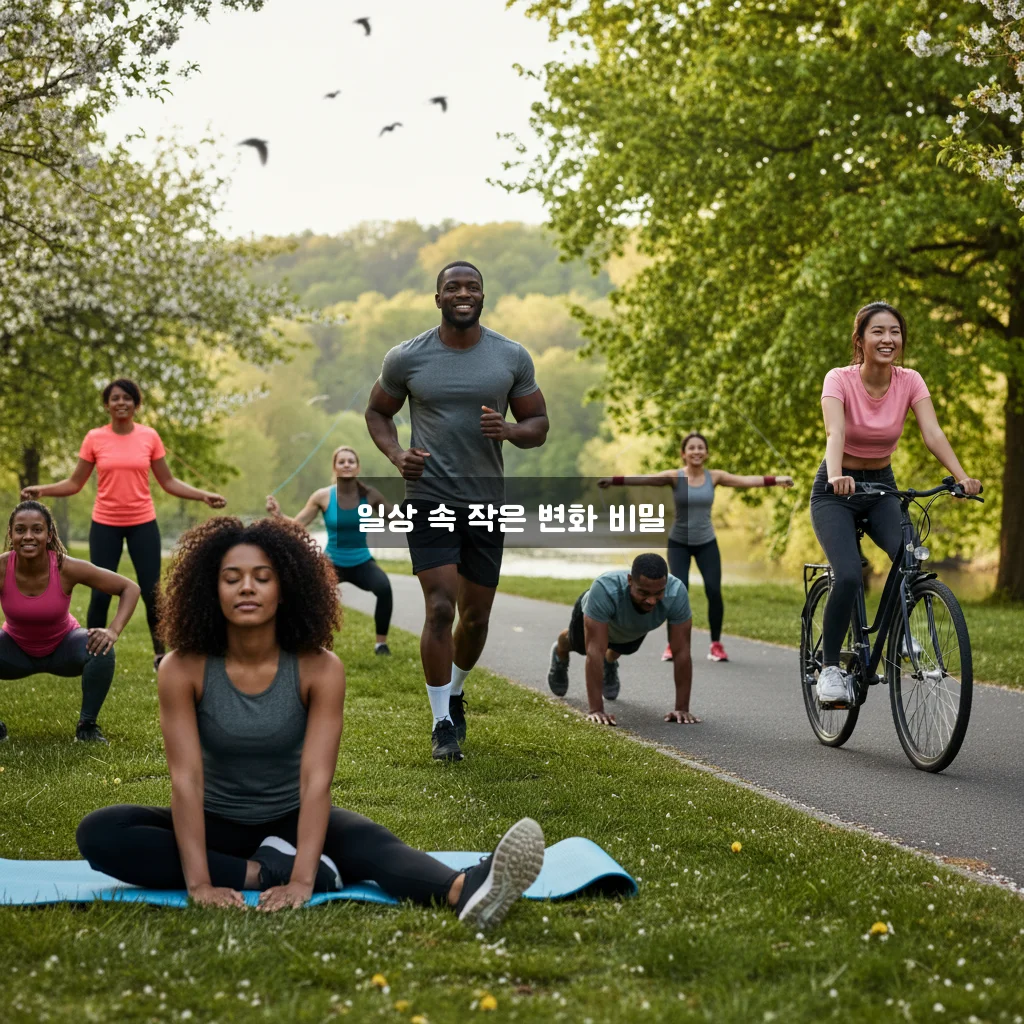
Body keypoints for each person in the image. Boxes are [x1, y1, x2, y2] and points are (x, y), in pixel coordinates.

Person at [75, 516, 545, 925]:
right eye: (232, 577)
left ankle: (466, 891)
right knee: (102, 833)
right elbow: (186, 779)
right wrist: (200, 883)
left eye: (262, 577)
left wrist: (302, 880)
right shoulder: (181, 667)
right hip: (214, 819)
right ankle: (263, 869)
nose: (246, 588)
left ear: (285, 590)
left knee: (368, 842)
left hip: (293, 815)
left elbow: (316, 780)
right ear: (209, 589)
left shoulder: (320, 668)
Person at [365, 261, 549, 762]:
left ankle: (458, 690)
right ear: (438, 297)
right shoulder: (407, 357)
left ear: (483, 297)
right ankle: (441, 721)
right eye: (453, 287)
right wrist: (397, 455)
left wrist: (510, 431)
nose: (463, 293)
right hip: (430, 498)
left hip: (487, 500)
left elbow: (538, 423)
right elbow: (378, 412)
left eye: (472, 287)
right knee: (441, 606)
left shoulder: (510, 357)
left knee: (477, 617)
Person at [811, 301, 981, 707]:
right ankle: (831, 668)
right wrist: (836, 476)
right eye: (878, 332)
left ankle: (902, 631)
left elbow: (933, 433)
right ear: (860, 340)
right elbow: (835, 433)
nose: (888, 339)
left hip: (882, 485)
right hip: (837, 490)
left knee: (908, 555)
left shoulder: (910, 380)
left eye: (895, 332)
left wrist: (961, 476)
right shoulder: (838, 379)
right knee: (849, 574)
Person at [21, 378, 226, 672]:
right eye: (115, 398)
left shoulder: (149, 437)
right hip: (105, 524)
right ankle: (87, 653)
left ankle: (160, 656)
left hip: (143, 523)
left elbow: (167, 482)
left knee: (151, 590)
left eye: (127, 398)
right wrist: (43, 490)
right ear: (107, 404)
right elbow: (75, 483)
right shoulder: (95, 438)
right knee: (100, 591)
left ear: (136, 404)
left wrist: (203, 495)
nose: (121, 403)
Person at [599, 435, 793, 663]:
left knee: (713, 591)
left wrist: (777, 479)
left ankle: (716, 645)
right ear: (683, 453)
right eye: (691, 448)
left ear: (707, 453)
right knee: (677, 592)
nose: (696, 451)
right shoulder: (675, 476)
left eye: (701, 448)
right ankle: (673, 645)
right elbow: (646, 479)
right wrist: (613, 480)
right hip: (679, 543)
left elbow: (745, 481)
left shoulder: (715, 476)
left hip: (706, 543)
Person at [1, 501, 141, 744]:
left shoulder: (65, 567)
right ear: (11, 534)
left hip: (63, 648)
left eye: (37, 529)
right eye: (20, 530)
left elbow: (129, 588)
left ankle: (87, 727)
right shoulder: (2, 568)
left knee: (101, 648)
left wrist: (113, 630)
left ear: (49, 534)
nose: (28, 536)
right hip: (14, 651)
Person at [266, 445, 394, 655]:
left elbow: (397, 519)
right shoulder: (323, 496)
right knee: (310, 597)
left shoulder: (370, 495)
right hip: (332, 561)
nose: (346, 465)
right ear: (335, 467)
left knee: (384, 589)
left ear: (357, 467)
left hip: (361, 560)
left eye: (350, 461)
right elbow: (298, 526)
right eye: (341, 461)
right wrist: (279, 515)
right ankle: (313, 641)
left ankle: (381, 644)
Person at [547, 552, 699, 726]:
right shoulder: (605, 588)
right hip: (598, 617)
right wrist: (596, 710)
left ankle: (609, 663)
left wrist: (682, 708)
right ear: (630, 580)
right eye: (643, 592)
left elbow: (681, 651)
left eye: (658, 593)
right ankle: (560, 651)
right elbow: (595, 651)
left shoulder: (677, 592)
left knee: (624, 649)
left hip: (633, 626)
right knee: (579, 646)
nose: (651, 600)